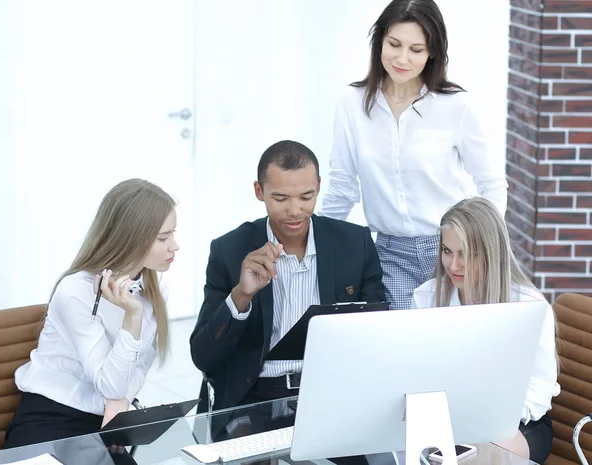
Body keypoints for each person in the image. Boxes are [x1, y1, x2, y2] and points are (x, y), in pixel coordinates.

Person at [320, 0, 508, 310]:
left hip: (452, 251)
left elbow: (491, 184)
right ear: (379, 39)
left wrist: (480, 245)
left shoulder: (457, 107)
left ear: (432, 52)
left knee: (454, 347)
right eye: (394, 44)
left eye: (416, 49)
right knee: (402, 346)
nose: (402, 58)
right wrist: (316, 247)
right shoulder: (351, 104)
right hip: (390, 254)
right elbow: (342, 186)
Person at [190, 140, 386, 413]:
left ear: (318, 186)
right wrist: (241, 296)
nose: (295, 211)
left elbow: (377, 332)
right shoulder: (229, 250)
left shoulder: (355, 243)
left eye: (306, 197)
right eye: (280, 198)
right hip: (256, 394)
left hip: (335, 390)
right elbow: (203, 356)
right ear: (259, 191)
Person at [5, 178, 179, 448]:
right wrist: (131, 317)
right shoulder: (76, 290)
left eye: (173, 234)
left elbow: (135, 370)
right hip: (51, 418)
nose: (174, 246)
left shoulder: (155, 289)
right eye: (163, 238)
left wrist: (120, 406)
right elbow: (110, 386)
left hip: (102, 421)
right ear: (130, 238)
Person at [412, 197, 560, 464]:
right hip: (448, 422)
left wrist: (484, 420)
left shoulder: (529, 306)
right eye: (447, 251)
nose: (453, 265)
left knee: (478, 454)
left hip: (518, 425)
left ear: (491, 253)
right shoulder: (426, 297)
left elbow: (540, 389)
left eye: (465, 254)